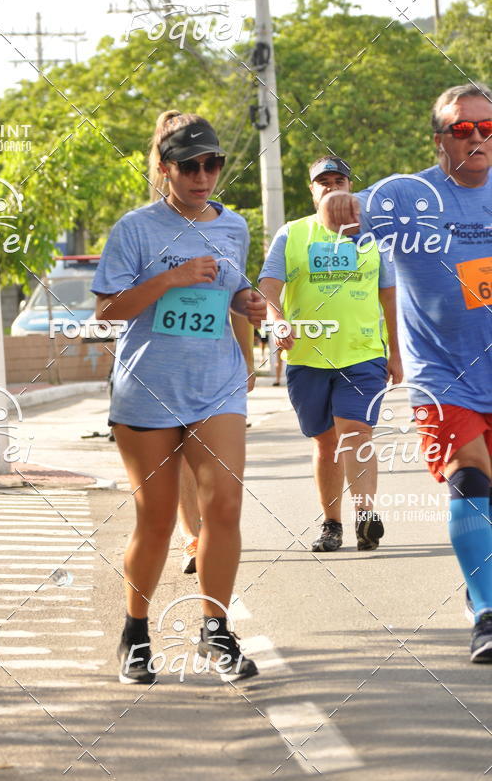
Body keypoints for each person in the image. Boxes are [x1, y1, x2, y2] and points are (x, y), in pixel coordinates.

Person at [319, 83, 492, 662]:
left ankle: (478, 590)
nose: (477, 138)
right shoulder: (407, 197)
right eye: (463, 129)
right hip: (444, 374)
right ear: (440, 137)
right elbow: (343, 218)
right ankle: (489, 616)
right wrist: (335, 206)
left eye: (487, 128)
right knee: (471, 475)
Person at [93, 110, 266, 683]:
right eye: (189, 166)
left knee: (225, 506)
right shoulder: (136, 229)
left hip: (215, 383)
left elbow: (234, 288)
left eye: (212, 164)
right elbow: (107, 311)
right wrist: (169, 277)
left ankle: (215, 633)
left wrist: (249, 306)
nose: (202, 175)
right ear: (164, 168)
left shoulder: (233, 225)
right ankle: (135, 632)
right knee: (158, 519)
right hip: (149, 389)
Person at [259, 156, 402, 552]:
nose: (331, 186)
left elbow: (388, 294)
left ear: (350, 186)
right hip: (307, 357)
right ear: (312, 189)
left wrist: (396, 352)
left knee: (356, 433)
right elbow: (269, 285)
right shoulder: (293, 234)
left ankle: (365, 516)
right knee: (324, 443)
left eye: (339, 179)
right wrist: (276, 319)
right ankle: (332, 524)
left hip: (362, 355)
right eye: (323, 181)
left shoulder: (374, 236)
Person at [178, 312, 255, 575]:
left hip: (218, 368)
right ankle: (191, 539)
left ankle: (206, 525)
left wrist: (248, 360)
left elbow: (240, 306)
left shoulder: (228, 267)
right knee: (180, 452)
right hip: (164, 367)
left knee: (211, 453)